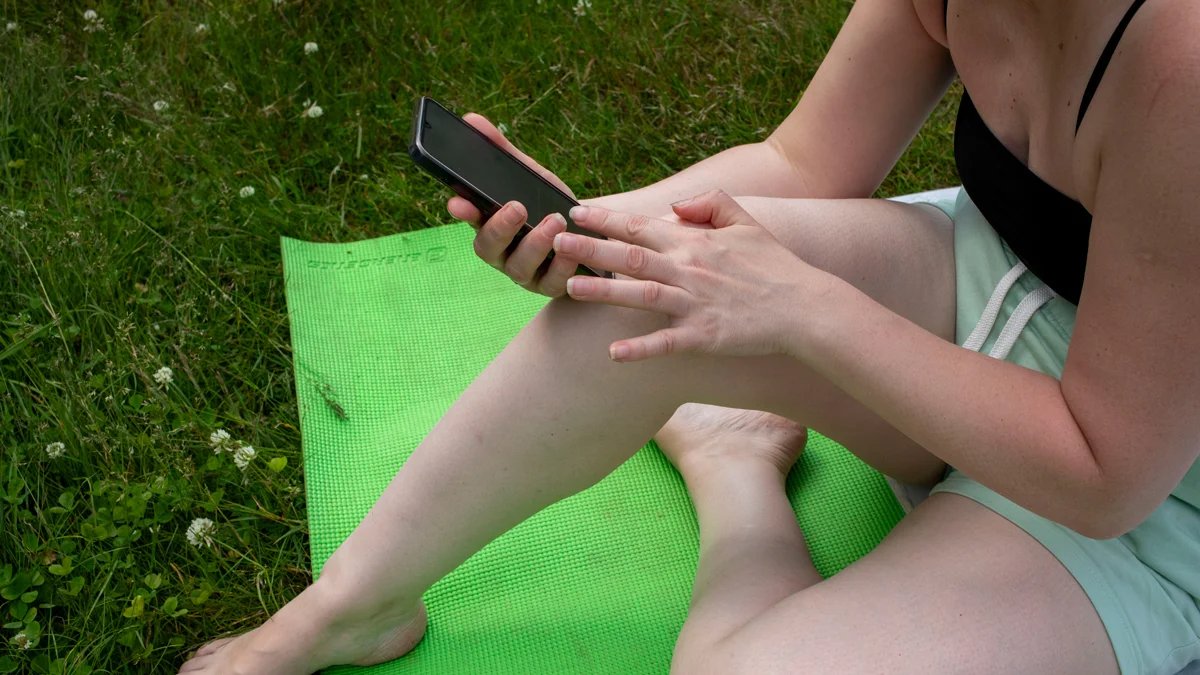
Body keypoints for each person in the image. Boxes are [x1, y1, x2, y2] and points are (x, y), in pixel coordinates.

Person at [180, 0, 1200, 673]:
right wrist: (596, 231)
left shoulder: (1182, 63)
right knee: (656, 280)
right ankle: (350, 605)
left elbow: (1105, 472)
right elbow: (804, 162)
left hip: (1147, 496)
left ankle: (735, 468)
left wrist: (806, 307)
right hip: (1000, 286)